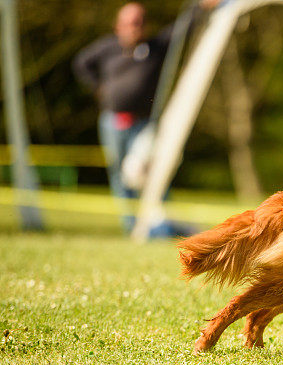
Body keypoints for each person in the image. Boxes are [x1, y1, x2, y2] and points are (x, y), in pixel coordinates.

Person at [73, 1, 218, 236]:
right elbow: (81, 63)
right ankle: (133, 227)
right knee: (120, 175)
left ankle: (161, 223)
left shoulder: (156, 47)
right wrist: (98, 88)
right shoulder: (107, 48)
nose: (135, 27)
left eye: (140, 22)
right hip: (112, 123)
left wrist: (201, 7)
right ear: (118, 26)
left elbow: (181, 29)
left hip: (144, 125)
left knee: (148, 171)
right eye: (130, 22)